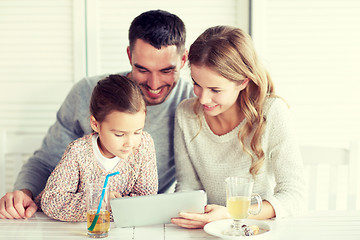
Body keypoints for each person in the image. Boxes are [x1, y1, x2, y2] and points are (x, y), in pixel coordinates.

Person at [0, 9, 194, 219]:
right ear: (129, 55)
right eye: (143, 70)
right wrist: (24, 192)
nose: (154, 85)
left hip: (140, 218)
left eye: (166, 71)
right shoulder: (87, 92)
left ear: (183, 60)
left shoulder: (195, 102)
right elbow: (46, 160)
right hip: (81, 217)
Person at [171, 26, 305, 229]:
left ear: (243, 81)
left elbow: (294, 195)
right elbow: (188, 187)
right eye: (196, 84)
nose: (203, 98)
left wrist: (231, 214)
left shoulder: (272, 112)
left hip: (258, 229)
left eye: (215, 89)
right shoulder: (186, 114)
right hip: (209, 229)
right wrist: (190, 214)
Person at [36, 75, 157, 221]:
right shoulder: (78, 152)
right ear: (95, 124)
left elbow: (146, 200)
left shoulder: (144, 145)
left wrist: (112, 208)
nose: (130, 143)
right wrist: (99, 201)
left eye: (137, 132)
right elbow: (52, 202)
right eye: (119, 134)